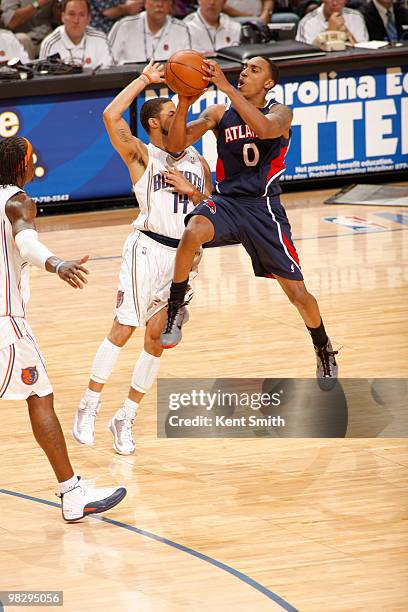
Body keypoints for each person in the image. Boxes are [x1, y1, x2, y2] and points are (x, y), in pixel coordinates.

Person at [160, 57, 339, 385]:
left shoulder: (281, 111)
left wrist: (227, 88)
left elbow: (265, 128)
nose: (244, 72)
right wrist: (184, 102)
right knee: (191, 232)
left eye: (254, 70)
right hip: (227, 202)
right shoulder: (218, 114)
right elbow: (175, 144)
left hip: (264, 209)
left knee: (298, 295)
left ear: (268, 83)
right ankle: (176, 308)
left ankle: (323, 346)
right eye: (243, 68)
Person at [72, 60, 212, 455]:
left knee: (157, 338)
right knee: (125, 327)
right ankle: (88, 405)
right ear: (154, 124)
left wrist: (192, 192)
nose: (180, 116)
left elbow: (213, 208)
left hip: (183, 258)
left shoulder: (199, 162)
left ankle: (126, 416)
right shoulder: (141, 155)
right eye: (171, 113)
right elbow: (110, 115)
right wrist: (144, 80)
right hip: (147, 249)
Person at [0, 136, 126, 521]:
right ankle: (72, 494)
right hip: (6, 324)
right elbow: (28, 241)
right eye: (32, 156)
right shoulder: (18, 201)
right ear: (23, 163)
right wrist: (57, 264)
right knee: (40, 396)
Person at [108, 0, 192, 64]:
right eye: (155, 0)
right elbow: (109, 63)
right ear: (145, 3)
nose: (159, 4)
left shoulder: (181, 29)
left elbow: (186, 65)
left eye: (165, 0)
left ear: (171, 4)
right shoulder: (124, 26)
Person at [40, 0, 113, 68]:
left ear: (89, 18)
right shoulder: (50, 44)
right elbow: (43, 79)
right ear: (63, 17)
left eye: (81, 15)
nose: (76, 20)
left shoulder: (100, 39)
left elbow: (110, 76)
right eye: (71, 14)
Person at [296, 0, 368, 44]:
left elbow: (363, 51)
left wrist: (346, 33)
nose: (334, 3)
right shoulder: (307, 23)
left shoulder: (356, 17)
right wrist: (330, 32)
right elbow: (308, 59)